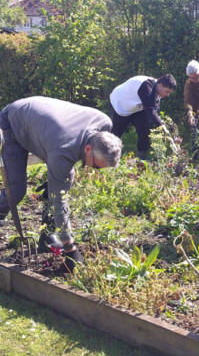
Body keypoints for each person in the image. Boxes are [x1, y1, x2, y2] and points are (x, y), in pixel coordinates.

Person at [0, 96, 123, 272]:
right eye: (96, 166)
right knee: (16, 190)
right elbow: (59, 199)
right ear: (88, 149)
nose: (95, 170)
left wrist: (56, 181)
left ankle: (47, 235)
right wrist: (69, 247)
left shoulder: (104, 124)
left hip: (42, 124)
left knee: (65, 177)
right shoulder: (63, 149)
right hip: (13, 123)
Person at [109, 74, 177, 160]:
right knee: (115, 134)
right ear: (160, 85)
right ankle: (110, 159)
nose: (168, 95)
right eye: (167, 91)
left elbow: (154, 110)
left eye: (169, 92)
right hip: (121, 104)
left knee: (144, 132)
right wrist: (162, 127)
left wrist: (160, 122)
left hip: (137, 107)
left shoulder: (157, 90)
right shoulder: (146, 86)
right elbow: (151, 111)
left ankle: (142, 161)